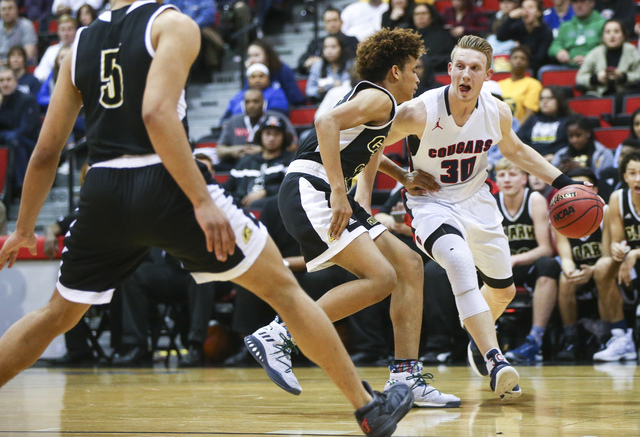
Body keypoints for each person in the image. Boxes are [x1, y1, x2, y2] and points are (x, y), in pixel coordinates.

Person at [0, 2, 415, 435]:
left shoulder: (77, 45)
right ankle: (369, 407)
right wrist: (200, 201)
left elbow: (46, 152)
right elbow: (156, 114)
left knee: (56, 314)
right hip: (165, 181)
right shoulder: (174, 24)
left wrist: (24, 228)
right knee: (284, 293)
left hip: (102, 191)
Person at [247, 28, 461, 409]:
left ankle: (407, 377)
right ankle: (279, 334)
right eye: (413, 69)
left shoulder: (380, 104)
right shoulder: (378, 96)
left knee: (409, 265)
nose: (418, 77)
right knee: (381, 278)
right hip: (312, 189)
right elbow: (325, 123)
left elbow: (368, 146)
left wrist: (403, 176)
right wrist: (339, 191)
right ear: (394, 71)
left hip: (322, 189)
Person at [377, 35, 588, 400]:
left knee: (503, 289)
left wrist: (564, 183)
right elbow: (368, 141)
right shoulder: (420, 110)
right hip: (431, 203)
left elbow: (516, 151)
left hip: (477, 201)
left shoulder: (497, 111)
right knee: (457, 259)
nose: (466, 73)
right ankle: (496, 359)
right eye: (459, 66)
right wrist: (401, 176)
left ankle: (478, 342)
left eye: (475, 68)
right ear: (449, 70)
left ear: (487, 75)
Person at [491, 158, 560, 364]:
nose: (507, 179)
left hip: (528, 265)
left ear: (524, 179)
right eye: (502, 175)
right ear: (496, 180)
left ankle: (535, 340)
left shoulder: (535, 199)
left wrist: (515, 259)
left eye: (512, 174)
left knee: (549, 264)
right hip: (499, 266)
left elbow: (545, 248)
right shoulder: (491, 202)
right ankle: (480, 340)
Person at [591, 150, 640, 361]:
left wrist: (634, 254)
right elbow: (618, 241)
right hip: (631, 261)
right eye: (633, 173)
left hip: (635, 258)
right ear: (625, 177)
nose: (638, 178)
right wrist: (619, 252)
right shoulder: (618, 198)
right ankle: (620, 337)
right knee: (602, 267)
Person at [554, 168, 605, 360]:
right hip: (580, 271)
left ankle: (608, 336)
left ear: (595, 190)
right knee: (564, 278)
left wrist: (593, 270)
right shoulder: (560, 216)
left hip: (604, 271)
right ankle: (571, 339)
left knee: (603, 268)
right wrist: (571, 272)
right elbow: (566, 257)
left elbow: (609, 254)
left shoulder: (605, 212)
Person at [224, 113, 294, 210]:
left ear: (284, 137)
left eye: (276, 134)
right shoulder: (245, 162)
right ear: (260, 136)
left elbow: (293, 188)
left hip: (274, 212)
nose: (271, 138)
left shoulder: (291, 161)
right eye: (268, 133)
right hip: (242, 212)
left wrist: (266, 192)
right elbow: (228, 188)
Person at [216, 88, 297, 170]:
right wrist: (233, 150)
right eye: (247, 102)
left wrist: (264, 150)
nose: (251, 105)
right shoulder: (233, 121)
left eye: (255, 101)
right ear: (243, 104)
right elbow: (219, 150)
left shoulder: (277, 118)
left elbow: (294, 147)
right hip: (238, 164)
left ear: (264, 103)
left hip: (272, 163)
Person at [576, 19, 640, 101]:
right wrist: (596, 78)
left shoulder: (631, 51)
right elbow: (580, 78)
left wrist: (623, 76)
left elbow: (638, 74)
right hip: (599, 96)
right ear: (603, 37)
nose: (612, 36)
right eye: (608, 32)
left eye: (616, 32)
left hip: (625, 94)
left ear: (623, 35)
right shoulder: (595, 53)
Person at [0, 66, 40, 197]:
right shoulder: (1, 103)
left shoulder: (27, 100)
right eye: (1, 80)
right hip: (10, 142)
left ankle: (22, 187)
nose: (5, 83)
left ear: (16, 82)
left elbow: (25, 130)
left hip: (31, 146)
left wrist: (5, 136)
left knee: (15, 140)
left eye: (8, 80)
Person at [496, 0, 553, 76]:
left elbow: (541, 58)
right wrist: (510, 18)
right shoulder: (519, 27)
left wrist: (520, 59)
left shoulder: (546, 31)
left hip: (538, 71)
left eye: (530, 7)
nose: (526, 11)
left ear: (538, 12)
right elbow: (500, 36)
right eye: (523, 8)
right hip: (522, 70)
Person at [296, 7, 358, 76]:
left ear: (341, 22)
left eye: (335, 20)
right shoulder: (317, 42)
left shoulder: (352, 40)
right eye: (328, 21)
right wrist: (310, 62)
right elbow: (302, 63)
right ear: (324, 24)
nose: (332, 24)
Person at [516, 85, 572, 159]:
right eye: (541, 98)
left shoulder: (568, 120)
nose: (544, 102)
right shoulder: (533, 119)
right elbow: (519, 140)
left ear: (559, 100)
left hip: (556, 159)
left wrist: (554, 156)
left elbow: (568, 144)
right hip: (530, 159)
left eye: (549, 98)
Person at [547, 0, 605, 70]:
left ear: (591, 3)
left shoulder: (602, 24)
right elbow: (555, 45)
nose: (578, 5)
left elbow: (605, 47)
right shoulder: (565, 25)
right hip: (568, 65)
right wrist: (559, 51)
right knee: (544, 70)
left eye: (582, 2)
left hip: (594, 67)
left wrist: (590, 59)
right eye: (575, 2)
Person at [245, 39, 305, 107]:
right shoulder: (250, 73)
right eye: (249, 56)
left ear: (267, 56)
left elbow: (295, 98)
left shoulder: (283, 70)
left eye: (256, 55)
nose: (252, 60)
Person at [221, 63, 288, 122]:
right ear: (248, 79)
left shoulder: (276, 93)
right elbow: (226, 118)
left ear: (268, 78)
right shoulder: (239, 95)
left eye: (261, 76)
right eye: (253, 77)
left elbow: (278, 115)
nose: (257, 80)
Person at [498, 46, 543, 125]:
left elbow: (531, 112)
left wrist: (517, 130)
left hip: (519, 129)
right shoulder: (499, 84)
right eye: (515, 58)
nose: (518, 61)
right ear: (509, 61)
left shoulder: (533, 84)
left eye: (523, 58)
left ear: (527, 63)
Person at [305, 35, 351, 103]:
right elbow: (309, 90)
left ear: (341, 48)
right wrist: (320, 90)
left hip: (346, 102)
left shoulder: (350, 65)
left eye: (333, 47)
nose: (329, 51)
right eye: (325, 47)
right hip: (324, 102)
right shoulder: (318, 66)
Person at [412, 3, 456, 73]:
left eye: (424, 13)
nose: (420, 17)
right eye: (417, 14)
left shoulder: (443, 35)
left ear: (431, 16)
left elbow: (449, 57)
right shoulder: (410, 36)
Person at [33, 14, 78, 82]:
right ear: (58, 32)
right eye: (62, 30)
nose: (66, 33)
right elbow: (39, 73)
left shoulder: (80, 48)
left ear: (75, 30)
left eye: (69, 29)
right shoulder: (51, 50)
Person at [0, 0, 38, 65]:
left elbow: (29, 55)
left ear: (17, 10)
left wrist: (5, 63)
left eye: (10, 8)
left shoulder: (26, 25)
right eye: (3, 9)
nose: (6, 12)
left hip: (20, 67)